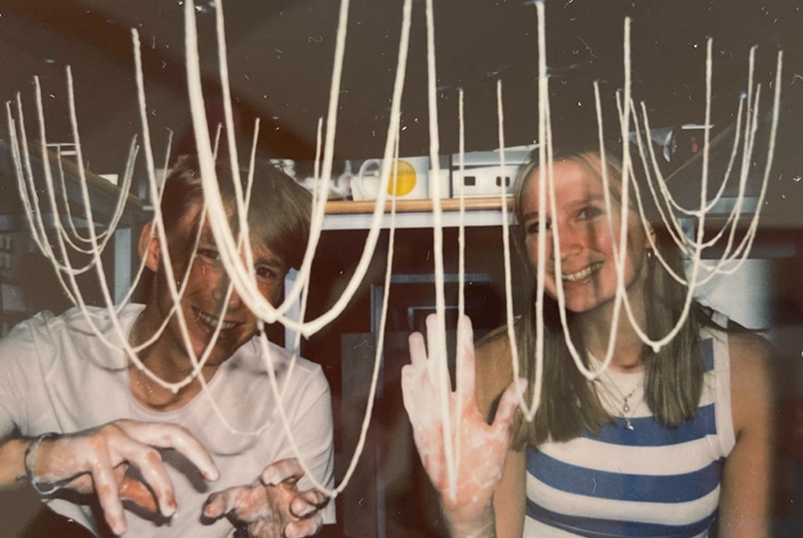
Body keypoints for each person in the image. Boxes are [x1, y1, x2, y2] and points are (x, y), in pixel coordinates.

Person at [402, 138, 774, 538]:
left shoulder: (746, 375)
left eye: (587, 213)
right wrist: (468, 519)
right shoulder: (502, 365)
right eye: (539, 225)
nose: (561, 247)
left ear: (649, 226)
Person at [0, 155, 335, 537]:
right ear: (155, 247)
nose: (233, 298)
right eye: (212, 254)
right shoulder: (47, 352)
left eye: (262, 271)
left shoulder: (296, 393)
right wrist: (40, 459)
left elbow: (299, 523)